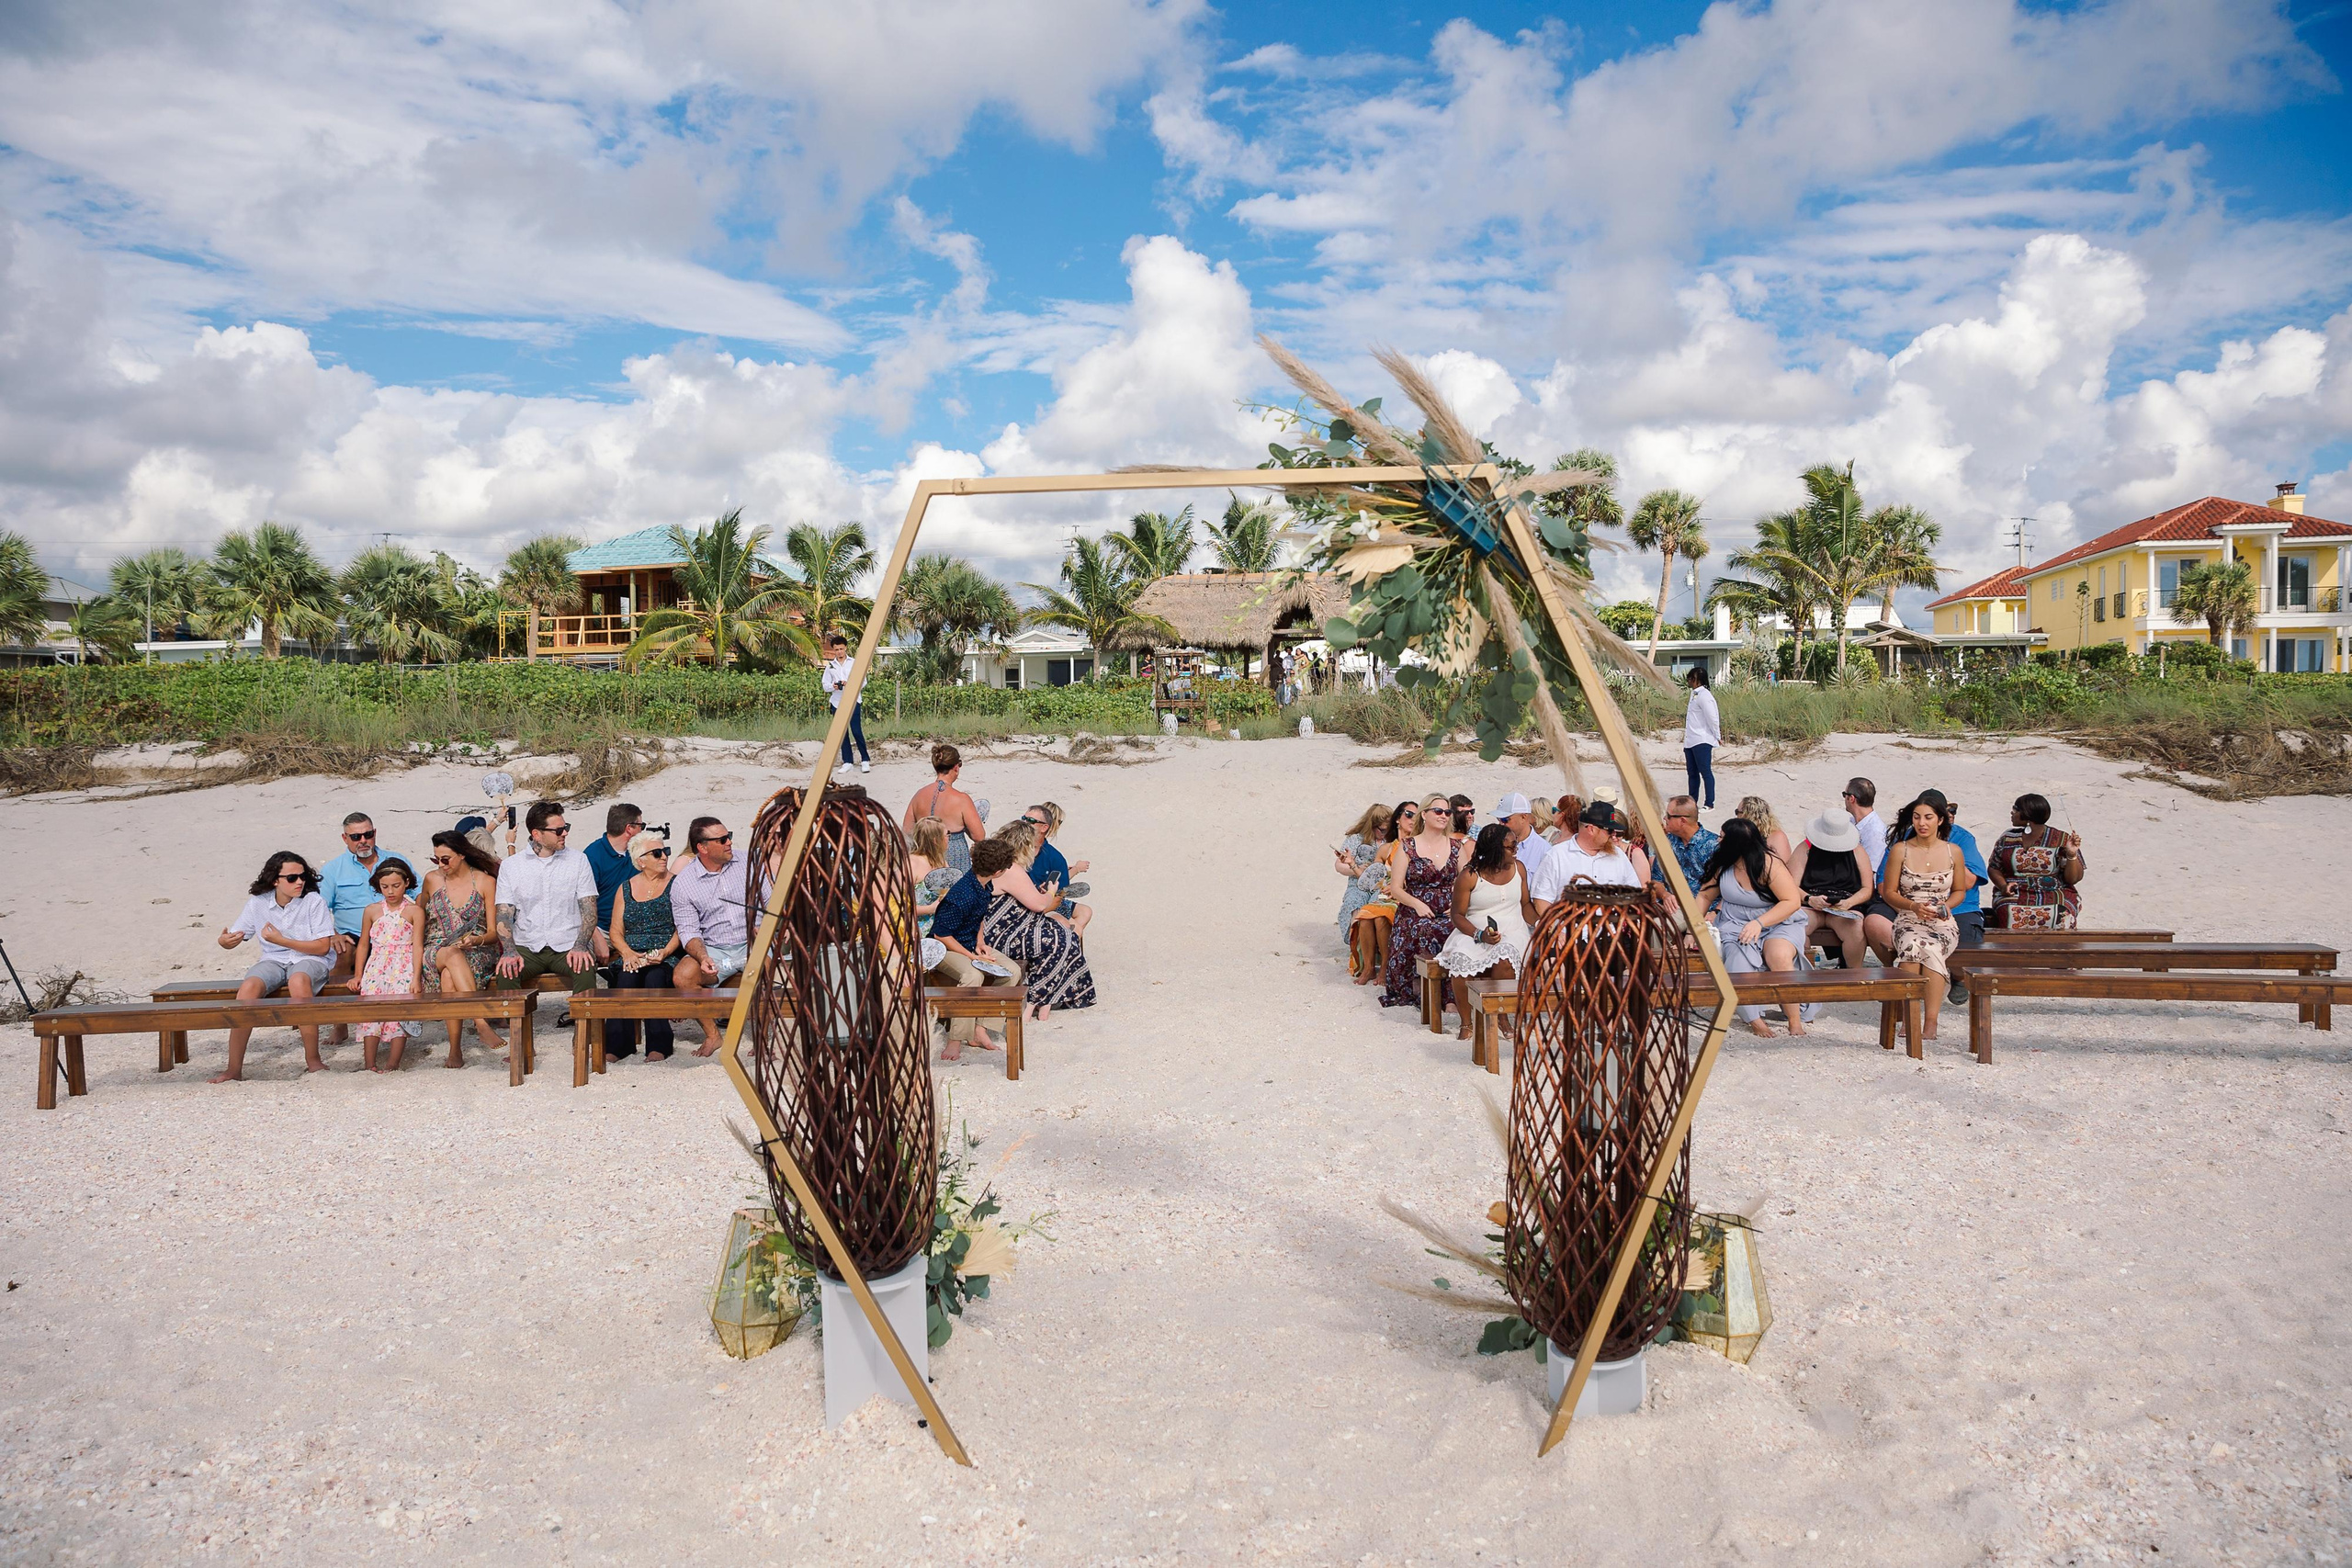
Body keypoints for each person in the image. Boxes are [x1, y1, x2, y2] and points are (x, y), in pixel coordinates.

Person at [211, 852, 336, 1082]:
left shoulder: (313, 901)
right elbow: (237, 935)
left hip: (310, 959)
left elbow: (321, 947)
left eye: (302, 876)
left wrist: (283, 940)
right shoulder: (258, 903)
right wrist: (225, 942)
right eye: (292, 878)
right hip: (273, 960)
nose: (300, 882)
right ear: (275, 880)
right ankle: (233, 1069)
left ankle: (313, 1060)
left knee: (298, 981)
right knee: (248, 987)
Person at [1698, 817, 1809, 1036]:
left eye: (1722, 837)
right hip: (1735, 922)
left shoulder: (1769, 864)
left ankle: (1794, 1020)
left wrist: (1760, 923)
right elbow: (1704, 894)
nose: (1718, 841)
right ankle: (1754, 1019)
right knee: (1738, 957)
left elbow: (1791, 901)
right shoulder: (1723, 864)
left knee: (1778, 955)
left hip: (1778, 920)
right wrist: (1695, 927)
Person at [1880, 795, 1975, 1043]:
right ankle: (1907, 1013)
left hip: (1941, 920)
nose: (1922, 823)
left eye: (1928, 817)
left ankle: (1930, 1020)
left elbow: (1960, 891)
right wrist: (1912, 905)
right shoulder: (1900, 849)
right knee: (1912, 945)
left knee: (1931, 946)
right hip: (1908, 917)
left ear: (1940, 820)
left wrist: (1945, 907)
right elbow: (1889, 892)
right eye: (1917, 817)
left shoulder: (1954, 851)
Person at [317, 812, 416, 1043]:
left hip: (396, 931)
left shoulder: (395, 860)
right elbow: (319, 907)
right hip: (353, 934)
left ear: (375, 833)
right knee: (342, 952)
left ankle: (402, 1021)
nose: (363, 840)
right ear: (345, 838)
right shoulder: (333, 870)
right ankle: (340, 1023)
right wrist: (333, 935)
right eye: (355, 836)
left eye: (367, 834)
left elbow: (419, 892)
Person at [981, 820, 1095, 1020]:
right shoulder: (1012, 869)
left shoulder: (1000, 866)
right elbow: (1040, 906)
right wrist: (1051, 892)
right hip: (1002, 936)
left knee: (1063, 933)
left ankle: (1042, 1003)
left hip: (1004, 929)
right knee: (1059, 938)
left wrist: (1044, 894)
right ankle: (1037, 1001)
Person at [492, 801, 599, 1010]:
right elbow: (504, 914)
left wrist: (580, 946)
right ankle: (519, 1037)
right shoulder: (512, 866)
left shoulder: (578, 860)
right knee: (506, 970)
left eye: (566, 828)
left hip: (568, 942)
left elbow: (589, 909)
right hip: (528, 944)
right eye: (559, 830)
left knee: (585, 965)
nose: (565, 834)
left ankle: (584, 1033)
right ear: (537, 834)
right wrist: (510, 951)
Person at [1437, 823, 1538, 1042]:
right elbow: (1458, 916)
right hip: (1473, 930)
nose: (1516, 849)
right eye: (1511, 846)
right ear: (1494, 848)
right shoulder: (1470, 875)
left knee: (1504, 954)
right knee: (1461, 960)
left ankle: (1502, 1018)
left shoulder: (1518, 868)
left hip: (1513, 928)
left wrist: (1541, 923)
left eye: (1516, 844)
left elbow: (1525, 905)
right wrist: (1480, 935)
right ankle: (1467, 1022)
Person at [927, 837, 1023, 1060]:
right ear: (998, 871)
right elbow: (942, 934)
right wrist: (972, 956)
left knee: (1012, 972)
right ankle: (955, 1040)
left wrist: (980, 943)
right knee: (972, 974)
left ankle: (981, 1029)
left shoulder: (984, 884)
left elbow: (978, 916)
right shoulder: (961, 894)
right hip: (945, 948)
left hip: (970, 942)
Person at [421, 829, 506, 1065]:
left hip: (476, 950)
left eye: (445, 859)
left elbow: (492, 932)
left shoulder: (485, 881)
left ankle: (455, 1051)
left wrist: (475, 940)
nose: (440, 864)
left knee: (449, 975)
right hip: (436, 949)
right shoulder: (431, 879)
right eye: (436, 859)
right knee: (450, 953)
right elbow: (419, 916)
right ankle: (480, 1022)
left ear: (461, 855)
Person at [673, 816, 751, 1048]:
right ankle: (713, 1035)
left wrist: (766, 930)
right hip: (716, 950)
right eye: (723, 839)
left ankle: (764, 1039)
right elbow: (688, 930)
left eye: (729, 836)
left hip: (753, 942)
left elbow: (771, 902)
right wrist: (703, 956)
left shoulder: (749, 862)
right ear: (702, 848)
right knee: (683, 976)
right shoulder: (684, 883)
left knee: (770, 967)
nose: (729, 843)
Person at [1380, 795, 1464, 1010]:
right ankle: (1433, 993)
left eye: (1447, 812)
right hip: (1415, 910)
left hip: (1447, 909)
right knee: (1426, 930)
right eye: (1438, 811)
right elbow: (1397, 888)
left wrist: (1456, 904)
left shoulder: (1456, 847)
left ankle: (1451, 996)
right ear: (1424, 814)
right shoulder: (1408, 847)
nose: (1443, 816)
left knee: (1456, 931)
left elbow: (1468, 882)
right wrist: (1417, 904)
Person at [606, 833, 682, 1061]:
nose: (664, 857)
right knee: (626, 980)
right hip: (633, 953)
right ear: (640, 860)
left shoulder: (677, 883)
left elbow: (683, 926)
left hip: (666, 950)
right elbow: (615, 931)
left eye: (665, 851)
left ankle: (659, 1045)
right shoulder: (625, 888)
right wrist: (627, 953)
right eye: (657, 853)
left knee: (654, 979)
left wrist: (666, 952)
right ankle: (619, 1046)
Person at [350, 857, 425, 1072]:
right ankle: (369, 1064)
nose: (390, 891)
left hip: (403, 966)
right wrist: (358, 975)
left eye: (396, 886)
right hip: (376, 966)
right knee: (371, 1011)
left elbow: (418, 946)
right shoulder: (371, 910)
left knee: (398, 1012)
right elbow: (363, 945)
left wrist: (416, 977)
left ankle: (393, 1063)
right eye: (385, 887)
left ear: (407, 883)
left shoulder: (415, 911)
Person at [1788, 807, 1874, 971]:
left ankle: (1853, 974)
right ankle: (1805, 973)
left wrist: (1849, 902)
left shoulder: (1857, 851)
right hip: (1811, 903)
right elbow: (1791, 885)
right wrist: (1809, 898)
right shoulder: (1805, 849)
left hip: (1845, 904)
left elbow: (1867, 888)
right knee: (1796, 926)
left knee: (1856, 929)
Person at [1987, 793, 2086, 931]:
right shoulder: (2008, 838)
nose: (2012, 812)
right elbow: (1993, 867)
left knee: (2060, 912)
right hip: (2016, 891)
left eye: (2016, 809)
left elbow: (2073, 878)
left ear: (2027, 815)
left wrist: (2071, 854)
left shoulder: (2061, 838)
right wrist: (2003, 886)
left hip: (2054, 891)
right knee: (2007, 911)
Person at [1530, 801, 1643, 907]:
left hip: (1609, 927)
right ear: (1591, 829)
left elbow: (1634, 894)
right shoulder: (1557, 856)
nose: (1613, 835)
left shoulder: (1618, 855)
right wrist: (1554, 926)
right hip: (1570, 927)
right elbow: (1541, 899)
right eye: (1610, 830)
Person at [905, 743, 987, 874]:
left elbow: (907, 831)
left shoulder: (919, 795)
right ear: (956, 767)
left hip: (924, 854)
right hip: (953, 854)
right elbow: (979, 836)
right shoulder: (961, 799)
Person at [582, 802, 643, 971]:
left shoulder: (639, 851)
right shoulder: (593, 855)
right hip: (602, 928)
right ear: (629, 828)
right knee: (583, 958)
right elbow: (582, 902)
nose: (642, 830)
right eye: (641, 826)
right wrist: (597, 936)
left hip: (634, 928)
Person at [1844, 777, 1896, 960]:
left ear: (1851, 798)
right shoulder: (1852, 823)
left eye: (1844, 795)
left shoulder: (1875, 831)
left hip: (1868, 891)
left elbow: (1872, 874)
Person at [1023, 803, 1092, 939]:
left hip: (1046, 900)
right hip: (1040, 903)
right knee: (1077, 924)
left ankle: (1065, 943)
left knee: (1085, 912)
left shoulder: (1052, 856)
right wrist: (1077, 869)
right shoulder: (1052, 856)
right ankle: (1066, 944)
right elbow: (1059, 891)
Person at [1333, 803, 1393, 930]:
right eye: (1382, 830)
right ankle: (1355, 941)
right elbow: (1339, 865)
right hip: (1357, 885)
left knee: (1378, 908)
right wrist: (1356, 870)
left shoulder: (1391, 841)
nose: (1385, 833)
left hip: (1381, 886)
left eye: (1388, 829)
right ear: (1371, 825)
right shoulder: (1356, 839)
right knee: (1354, 904)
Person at [822, 632, 871, 774]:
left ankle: (865, 760)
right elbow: (825, 686)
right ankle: (848, 761)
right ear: (834, 650)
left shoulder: (855, 663)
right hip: (837, 702)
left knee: (856, 731)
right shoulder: (830, 666)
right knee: (842, 733)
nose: (839, 652)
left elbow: (864, 681)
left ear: (846, 648)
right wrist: (834, 686)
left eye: (841, 649)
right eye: (836, 649)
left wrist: (850, 684)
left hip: (854, 700)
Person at [1655, 794, 1720, 893]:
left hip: (1703, 907)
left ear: (1682, 821)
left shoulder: (1713, 846)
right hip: (1670, 905)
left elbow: (1723, 889)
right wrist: (1665, 895)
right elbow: (1656, 879)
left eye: (1668, 816)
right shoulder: (1667, 842)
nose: (1664, 818)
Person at [909, 817, 956, 935]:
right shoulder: (911, 864)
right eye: (947, 834)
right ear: (936, 840)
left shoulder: (941, 861)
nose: (949, 838)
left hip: (941, 928)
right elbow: (896, 905)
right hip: (916, 931)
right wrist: (930, 909)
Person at [1682, 668, 1720, 809]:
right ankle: (1692, 801)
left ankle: (1709, 803)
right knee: (1692, 773)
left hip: (1702, 739)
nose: (1689, 681)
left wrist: (1717, 735)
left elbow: (1712, 717)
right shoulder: (1695, 694)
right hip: (1691, 739)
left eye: (1691, 678)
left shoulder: (1705, 696)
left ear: (1697, 679)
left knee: (1705, 771)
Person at [1496, 793, 1547, 881]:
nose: (1501, 824)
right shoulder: (1494, 843)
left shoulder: (1544, 851)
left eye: (1505, 820)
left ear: (1523, 817)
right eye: (1499, 819)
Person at [1735, 795, 1792, 863]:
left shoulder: (1776, 837)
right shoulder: (1741, 835)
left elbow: (1783, 865)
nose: (1736, 817)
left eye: (1737, 812)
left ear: (1746, 814)